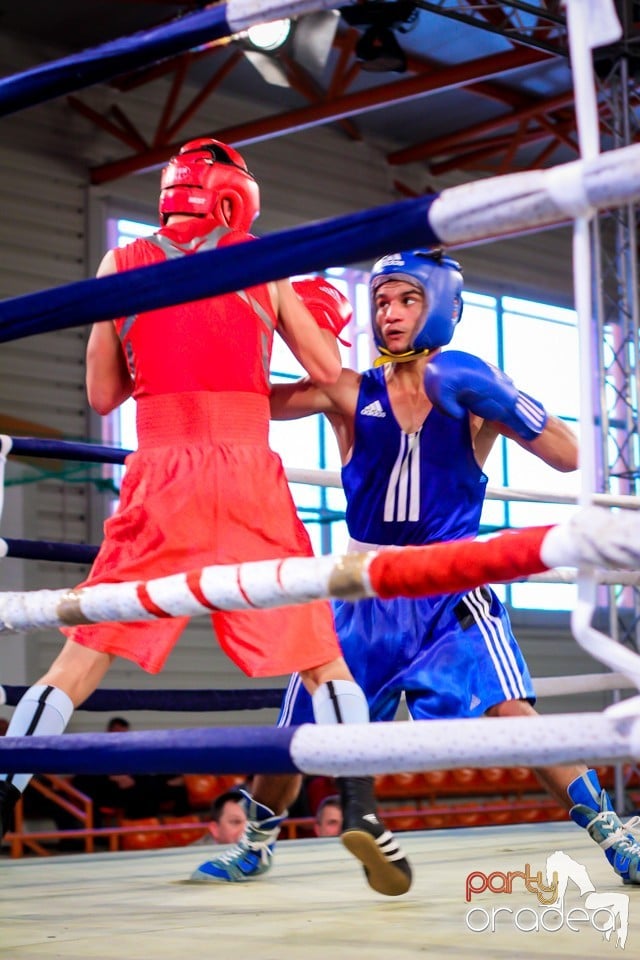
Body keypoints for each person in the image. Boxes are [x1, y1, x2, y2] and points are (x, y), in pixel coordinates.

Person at [0, 138, 411, 898]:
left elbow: (101, 396)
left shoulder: (118, 266)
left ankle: (2, 797)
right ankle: (359, 805)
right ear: (235, 198)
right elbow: (328, 376)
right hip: (247, 469)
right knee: (319, 653)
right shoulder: (264, 264)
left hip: (159, 471)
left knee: (81, 653)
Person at [198, 249, 640, 888]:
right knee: (299, 728)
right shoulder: (348, 391)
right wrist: (236, 338)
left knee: (511, 713)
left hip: (449, 585)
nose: (391, 314)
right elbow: (245, 405)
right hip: (362, 588)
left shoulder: (471, 392)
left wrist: (504, 393)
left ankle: (614, 835)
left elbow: (570, 457)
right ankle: (257, 843)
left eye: (406, 299)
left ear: (439, 305)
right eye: (381, 302)